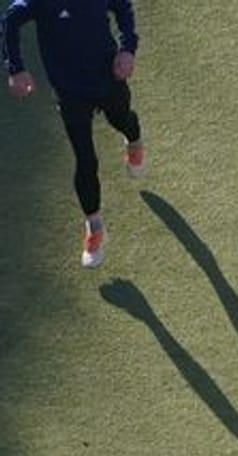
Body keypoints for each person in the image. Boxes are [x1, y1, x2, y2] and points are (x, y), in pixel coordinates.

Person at [3, 0, 146, 268]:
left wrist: (128, 49)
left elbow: (123, 7)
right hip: (70, 94)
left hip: (108, 79)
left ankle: (134, 140)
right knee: (86, 159)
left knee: (123, 120)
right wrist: (16, 69)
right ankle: (95, 227)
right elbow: (10, 20)